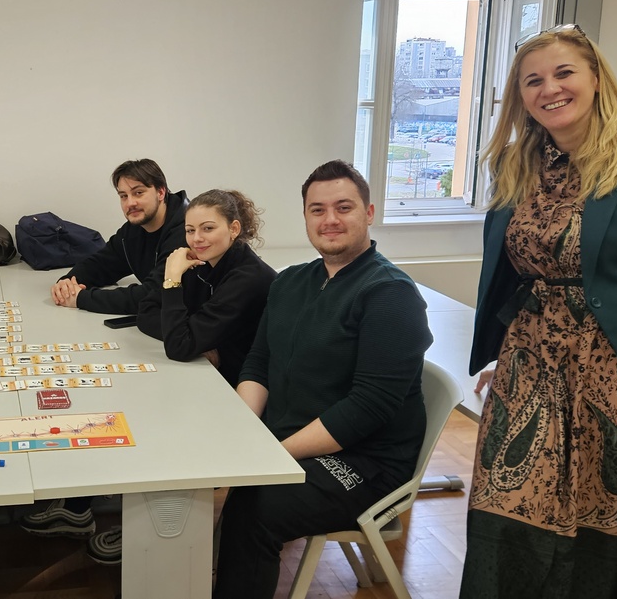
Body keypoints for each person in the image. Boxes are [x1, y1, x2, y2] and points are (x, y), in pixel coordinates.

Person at [460, 25, 617, 597]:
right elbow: (519, 274)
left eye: (564, 73)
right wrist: (508, 355)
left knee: (613, 537)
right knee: (508, 521)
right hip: (532, 376)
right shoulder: (519, 164)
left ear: (597, 79)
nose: (549, 88)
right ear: (520, 96)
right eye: (533, 81)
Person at [211, 160, 431, 598]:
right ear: (306, 217)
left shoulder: (390, 294)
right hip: (294, 439)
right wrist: (241, 433)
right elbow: (259, 362)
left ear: (369, 213)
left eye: (343, 207)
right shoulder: (291, 281)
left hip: (365, 462)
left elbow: (366, 408)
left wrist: (270, 455)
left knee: (255, 506)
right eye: (318, 209)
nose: (330, 219)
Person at [136, 188, 276, 386]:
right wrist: (191, 339)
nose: (196, 239)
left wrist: (172, 279)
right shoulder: (200, 262)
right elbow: (145, 312)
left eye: (208, 228)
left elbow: (179, 347)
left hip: (242, 386)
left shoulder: (248, 278)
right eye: (190, 230)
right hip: (210, 373)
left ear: (234, 229)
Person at [51, 158, 188, 315]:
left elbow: (154, 295)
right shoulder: (133, 229)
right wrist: (67, 283)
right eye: (123, 196)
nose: (130, 203)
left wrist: (81, 299)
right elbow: (101, 265)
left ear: (161, 192)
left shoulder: (188, 230)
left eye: (138, 193)